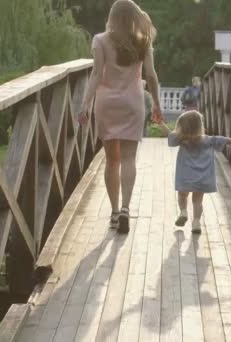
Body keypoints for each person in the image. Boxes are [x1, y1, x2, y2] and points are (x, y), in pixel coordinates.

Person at [79, 0, 164, 234]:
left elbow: (96, 74)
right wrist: (156, 103)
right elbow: (152, 75)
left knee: (112, 161)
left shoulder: (100, 40)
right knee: (128, 159)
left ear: (112, 16)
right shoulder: (143, 41)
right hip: (132, 104)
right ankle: (126, 208)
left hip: (107, 104)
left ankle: (114, 212)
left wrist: (85, 104)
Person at [157, 110, 231, 233]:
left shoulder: (181, 139)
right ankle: (196, 222)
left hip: (185, 176)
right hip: (202, 178)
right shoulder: (209, 140)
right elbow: (224, 140)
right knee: (197, 200)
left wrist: (161, 123)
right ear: (200, 126)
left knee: (182, 195)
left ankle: (183, 212)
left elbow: (170, 134)